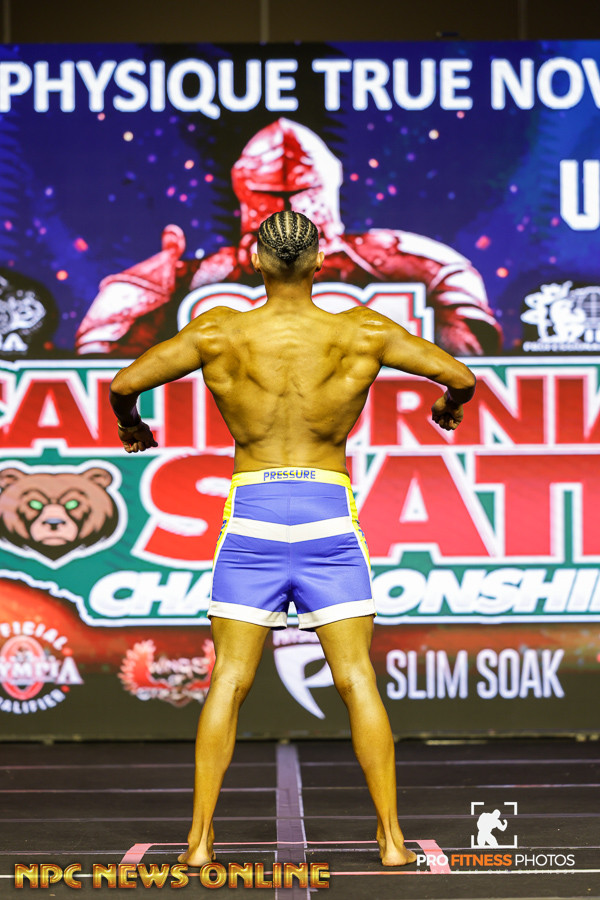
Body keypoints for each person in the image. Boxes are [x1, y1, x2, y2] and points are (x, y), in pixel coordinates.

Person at [109, 209, 476, 868]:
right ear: (318, 263)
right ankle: (392, 842)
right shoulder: (362, 331)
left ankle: (199, 843)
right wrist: (446, 408)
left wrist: (133, 426)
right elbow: (461, 377)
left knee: (229, 680)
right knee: (357, 678)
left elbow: (123, 384)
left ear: (255, 261)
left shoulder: (219, 330)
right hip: (327, 514)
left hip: (252, 515)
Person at [79, 118, 501, 358]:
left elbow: (473, 356)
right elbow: (99, 362)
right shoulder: (199, 275)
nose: (287, 208)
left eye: (301, 192)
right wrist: (154, 283)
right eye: (270, 195)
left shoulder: (413, 262)